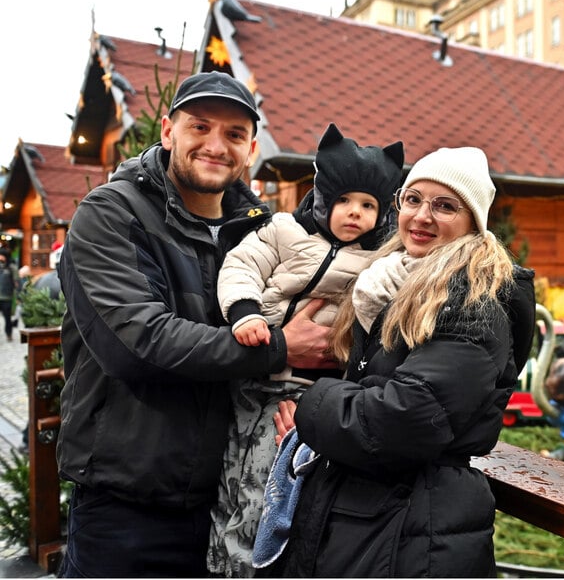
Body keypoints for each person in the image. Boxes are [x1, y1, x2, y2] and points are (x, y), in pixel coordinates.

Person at [55, 71, 334, 578]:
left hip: (228, 494)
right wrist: (278, 349)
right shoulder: (111, 215)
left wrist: (310, 398)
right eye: (199, 127)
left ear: (250, 148)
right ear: (168, 131)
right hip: (127, 502)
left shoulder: (264, 230)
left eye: (233, 134)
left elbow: (318, 313)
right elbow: (136, 343)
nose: (215, 145)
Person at [254, 146, 536, 577]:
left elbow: (405, 418)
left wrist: (312, 408)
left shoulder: (471, 305)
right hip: (375, 516)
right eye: (413, 199)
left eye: (445, 206)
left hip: (414, 530)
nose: (422, 216)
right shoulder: (388, 282)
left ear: (472, 223)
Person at [207, 122, 404, 577]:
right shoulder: (282, 231)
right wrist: (245, 312)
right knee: (228, 481)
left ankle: (245, 568)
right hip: (251, 371)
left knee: (263, 492)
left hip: (302, 393)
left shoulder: (376, 262)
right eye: (344, 201)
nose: (355, 213)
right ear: (322, 198)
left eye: (368, 205)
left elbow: (383, 309)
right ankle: (217, 565)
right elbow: (242, 264)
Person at [0, 250, 17, 341]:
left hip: (7, 297)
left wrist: (17, 296)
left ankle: (9, 334)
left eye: (1, 256)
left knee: (7, 318)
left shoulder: (11, 268)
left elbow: (16, 283)